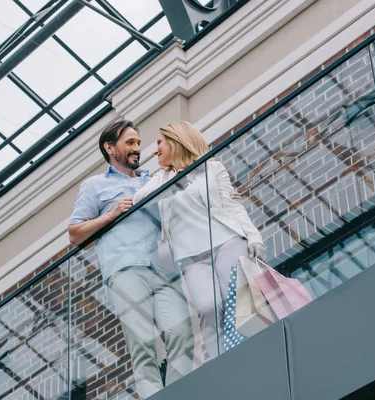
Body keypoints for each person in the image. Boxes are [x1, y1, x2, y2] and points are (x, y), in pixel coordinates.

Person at [68, 120, 194, 399]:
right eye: (130, 143)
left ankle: (179, 393)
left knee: (182, 333)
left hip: (163, 266)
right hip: (125, 269)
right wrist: (110, 215)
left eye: (138, 142)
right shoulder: (95, 186)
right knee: (142, 343)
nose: (137, 148)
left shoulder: (156, 178)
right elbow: (75, 234)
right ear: (110, 148)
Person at [133, 121, 264, 360]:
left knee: (238, 298)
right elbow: (139, 199)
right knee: (207, 307)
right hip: (190, 257)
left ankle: (255, 350)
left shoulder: (212, 169)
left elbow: (232, 204)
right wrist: (174, 182)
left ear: (176, 140)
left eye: (160, 142)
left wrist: (254, 236)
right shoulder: (161, 177)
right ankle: (221, 364)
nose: (155, 150)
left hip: (227, 241)